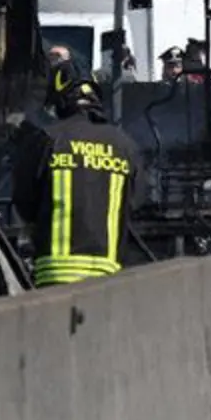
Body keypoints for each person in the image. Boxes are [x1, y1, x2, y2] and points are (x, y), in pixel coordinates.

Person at [11, 60, 143, 288]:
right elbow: (136, 201)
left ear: (59, 102)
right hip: (108, 280)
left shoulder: (46, 140)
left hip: (54, 279)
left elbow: (24, 201)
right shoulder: (125, 146)